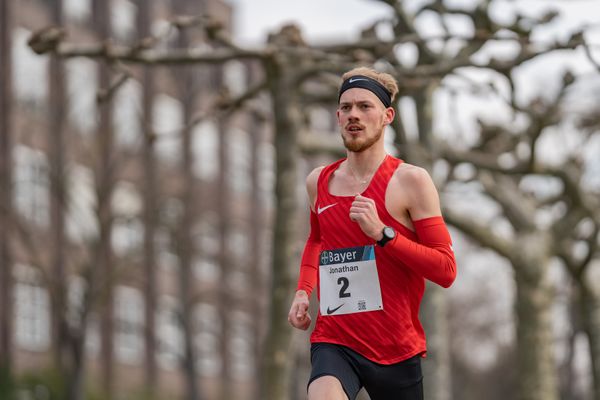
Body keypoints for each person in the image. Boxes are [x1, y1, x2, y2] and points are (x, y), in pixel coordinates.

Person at [287, 66, 457, 400]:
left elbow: (446, 269)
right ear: (337, 116)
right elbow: (318, 240)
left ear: (387, 115)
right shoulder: (318, 182)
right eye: (346, 107)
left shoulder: (411, 181)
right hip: (336, 339)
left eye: (365, 106)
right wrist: (304, 290)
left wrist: (384, 234)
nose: (354, 115)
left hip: (396, 346)